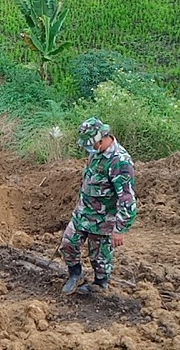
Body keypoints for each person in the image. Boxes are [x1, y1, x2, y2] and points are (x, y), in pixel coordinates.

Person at [60, 117, 137, 295]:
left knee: (99, 257)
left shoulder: (120, 162)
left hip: (103, 220)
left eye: (91, 145)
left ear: (102, 139)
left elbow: (127, 198)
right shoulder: (96, 153)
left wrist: (120, 229)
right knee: (68, 244)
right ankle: (75, 275)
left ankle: (99, 285)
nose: (89, 149)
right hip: (83, 214)